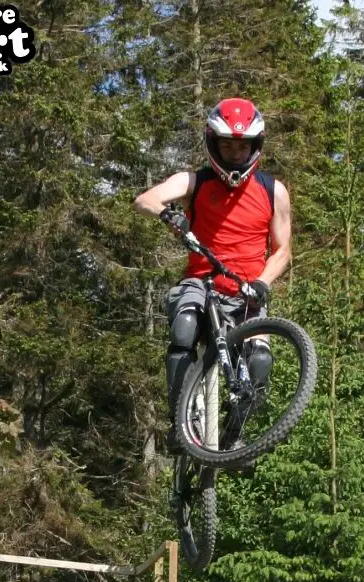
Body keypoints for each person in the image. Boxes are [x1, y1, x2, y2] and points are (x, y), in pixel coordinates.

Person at [133, 97, 291, 453]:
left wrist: (263, 283)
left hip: (246, 294)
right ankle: (180, 425)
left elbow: (283, 250)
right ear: (212, 143)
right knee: (185, 324)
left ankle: (235, 436)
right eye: (227, 145)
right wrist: (168, 215)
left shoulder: (273, 190)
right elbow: (145, 199)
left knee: (261, 362)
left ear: (255, 146)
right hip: (200, 283)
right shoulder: (195, 181)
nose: (235, 154)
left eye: (242, 146)